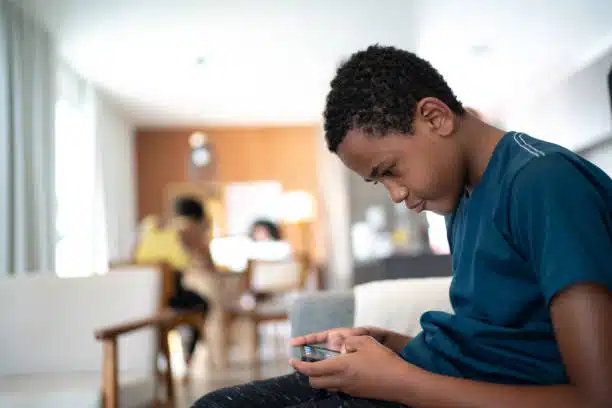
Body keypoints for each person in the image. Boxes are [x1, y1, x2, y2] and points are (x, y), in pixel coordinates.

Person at [192, 45, 612, 408]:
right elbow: (502, 345)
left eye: (390, 170)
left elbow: (597, 398)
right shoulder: (462, 196)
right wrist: (389, 346)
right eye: (381, 182)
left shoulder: (544, 183)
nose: (394, 194)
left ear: (435, 117)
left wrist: (400, 382)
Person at [133, 196, 215, 365]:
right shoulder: (189, 230)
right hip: (169, 297)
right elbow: (209, 265)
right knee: (203, 304)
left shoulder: (149, 224)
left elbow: (133, 256)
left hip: (137, 294)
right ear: (198, 217)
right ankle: (188, 355)